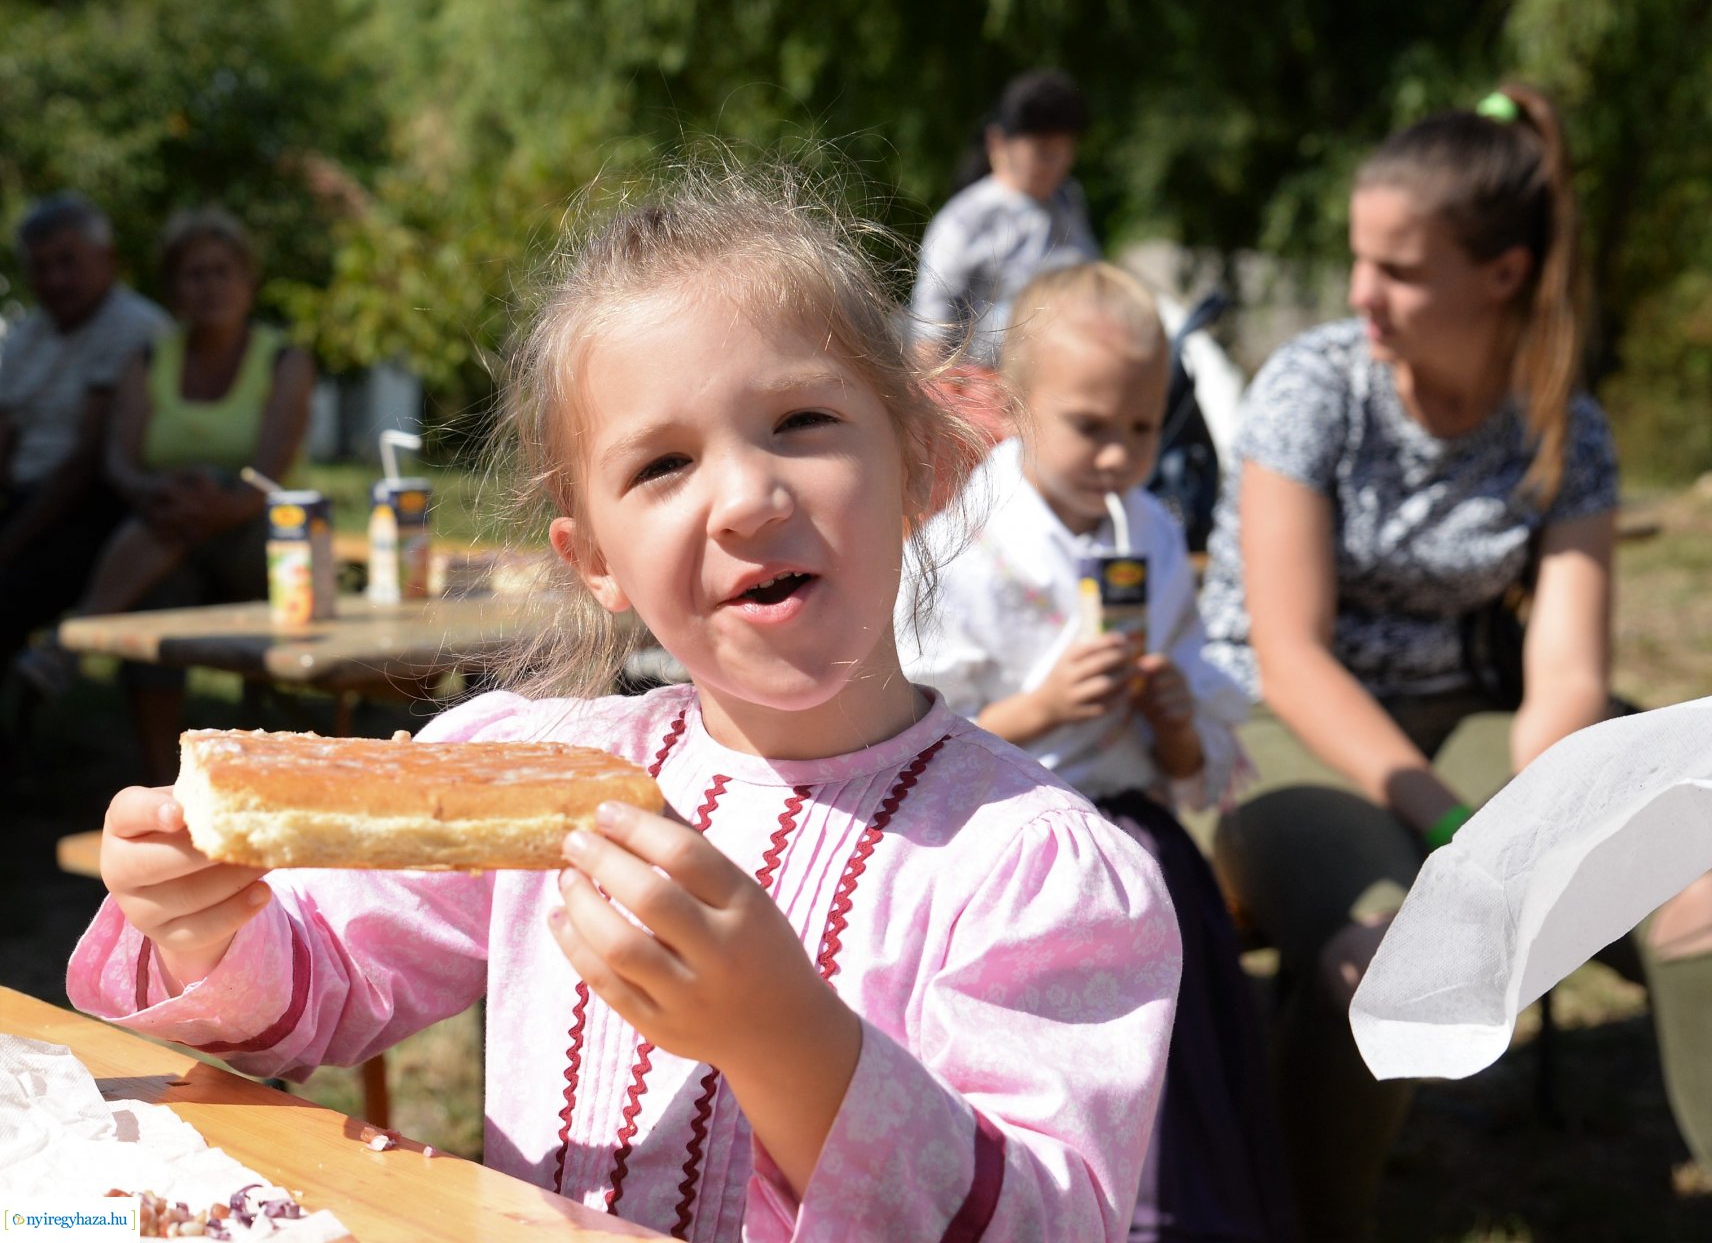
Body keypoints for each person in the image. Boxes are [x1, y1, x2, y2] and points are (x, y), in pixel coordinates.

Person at [67, 161, 1182, 1240]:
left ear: (924, 467)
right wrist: (202, 923)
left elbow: (1046, 1218)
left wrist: (787, 1037)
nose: (746, 497)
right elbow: (325, 988)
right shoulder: (537, 780)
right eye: (662, 466)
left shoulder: (1031, 873)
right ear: (594, 557)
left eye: (801, 420)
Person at [1196, 86, 1712, 1243]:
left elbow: (1561, 684)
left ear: (1501, 274)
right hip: (1278, 724)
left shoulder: (1565, 424)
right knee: (1383, 949)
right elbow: (1291, 656)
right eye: (1361, 260)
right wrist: (1455, 827)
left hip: (1472, 714)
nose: (1362, 295)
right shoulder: (1316, 387)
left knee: (1694, 897)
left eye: (1398, 269)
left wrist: (1558, 820)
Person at [902, 261, 1292, 1242]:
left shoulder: (1152, 531)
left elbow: (1195, 729)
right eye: (1090, 426)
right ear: (1020, 408)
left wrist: (1168, 713)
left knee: (1176, 988)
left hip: (1130, 833)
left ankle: (1182, 1208)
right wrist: (1037, 708)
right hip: (998, 838)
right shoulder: (966, 542)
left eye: (1144, 427)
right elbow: (910, 716)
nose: (1119, 454)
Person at [79, 208, 313, 783]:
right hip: (169, 525)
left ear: (247, 281)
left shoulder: (284, 360)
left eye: (221, 271)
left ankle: (79, 633)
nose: (209, 286)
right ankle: (166, 782)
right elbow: (121, 463)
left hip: (257, 534)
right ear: (174, 287)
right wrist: (158, 494)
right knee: (164, 596)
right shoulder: (149, 359)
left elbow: (269, 475)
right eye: (194, 274)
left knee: (187, 518)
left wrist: (203, 505)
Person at [0, 194, 168, 686]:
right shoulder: (27, 335)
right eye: (42, 267)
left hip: (94, 507)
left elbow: (86, 461)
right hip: (26, 497)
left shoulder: (136, 328)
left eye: (67, 263)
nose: (55, 280)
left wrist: (8, 543)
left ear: (107, 259)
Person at [909, 67, 1098, 369]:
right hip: (988, 391)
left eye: (1066, 151)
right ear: (998, 142)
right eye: (1044, 152)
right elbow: (930, 331)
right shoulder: (967, 220)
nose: (1057, 164)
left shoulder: (1068, 200)